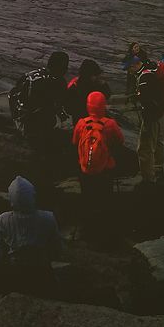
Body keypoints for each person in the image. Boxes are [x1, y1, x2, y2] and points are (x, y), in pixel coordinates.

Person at [10, 51, 72, 180]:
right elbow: (60, 106)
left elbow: (14, 96)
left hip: (24, 122)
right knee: (47, 154)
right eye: (65, 67)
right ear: (62, 68)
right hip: (40, 127)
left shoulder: (30, 76)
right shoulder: (59, 82)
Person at [0, 175, 61, 293]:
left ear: (11, 200)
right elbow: (56, 249)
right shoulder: (48, 217)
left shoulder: (3, 219)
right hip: (42, 270)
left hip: (15, 273)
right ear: (33, 196)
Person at [72, 90, 125, 240]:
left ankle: (87, 231)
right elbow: (121, 141)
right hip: (105, 169)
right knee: (104, 200)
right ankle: (104, 233)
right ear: (103, 106)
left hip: (85, 169)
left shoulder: (82, 123)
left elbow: (75, 142)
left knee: (88, 199)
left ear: (88, 106)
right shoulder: (110, 124)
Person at [135, 52, 164, 183]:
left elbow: (147, 100)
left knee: (145, 147)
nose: (129, 72)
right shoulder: (154, 70)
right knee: (159, 142)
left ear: (136, 64)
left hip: (151, 116)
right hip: (161, 112)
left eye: (129, 68)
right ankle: (159, 169)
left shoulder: (144, 77)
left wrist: (146, 118)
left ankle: (148, 177)